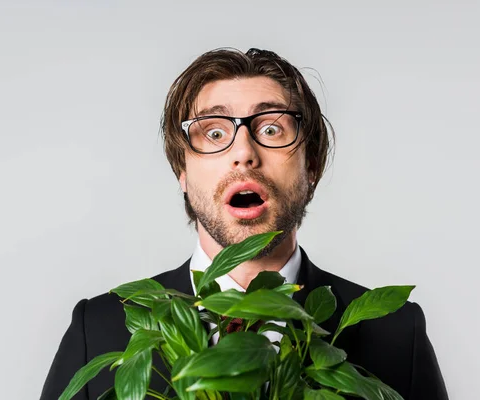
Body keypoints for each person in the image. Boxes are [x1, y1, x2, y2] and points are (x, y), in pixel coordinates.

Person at [40, 48, 449, 400]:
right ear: (182, 171)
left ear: (313, 167)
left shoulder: (396, 333)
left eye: (271, 128)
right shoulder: (98, 330)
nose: (244, 152)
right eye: (214, 132)